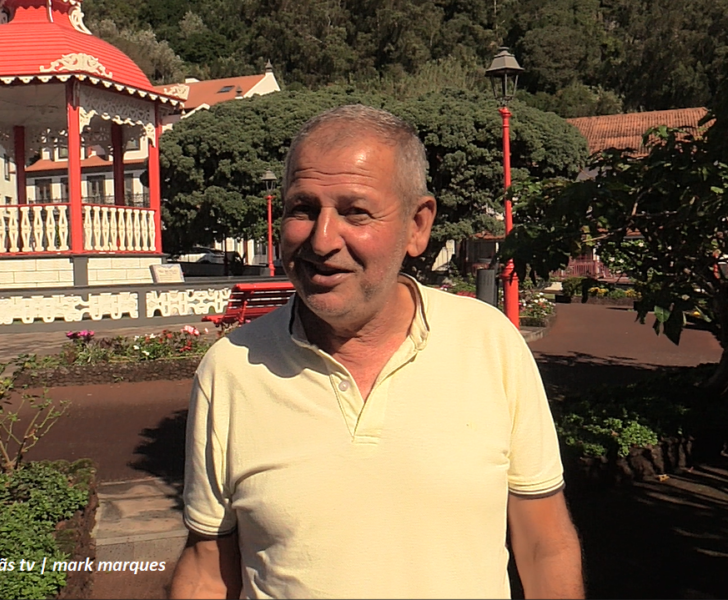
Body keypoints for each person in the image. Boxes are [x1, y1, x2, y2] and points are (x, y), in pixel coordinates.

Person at [169, 105, 584, 599]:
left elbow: (544, 544)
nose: (322, 240)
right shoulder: (232, 368)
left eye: (355, 212)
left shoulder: (489, 345)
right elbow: (208, 568)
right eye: (303, 209)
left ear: (417, 225)